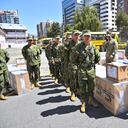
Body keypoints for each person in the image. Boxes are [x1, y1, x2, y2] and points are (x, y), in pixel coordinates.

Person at [70, 30, 100, 113]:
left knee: (91, 86)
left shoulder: (93, 47)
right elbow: (73, 59)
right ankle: (83, 103)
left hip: (91, 70)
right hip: (82, 71)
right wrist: (79, 67)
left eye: (88, 36)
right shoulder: (78, 47)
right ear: (82, 37)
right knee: (82, 88)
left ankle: (90, 100)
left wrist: (91, 65)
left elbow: (98, 58)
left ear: (90, 38)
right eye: (85, 36)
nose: (87, 38)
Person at [67, 30, 81, 101]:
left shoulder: (81, 44)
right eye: (75, 35)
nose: (77, 36)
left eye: (78, 35)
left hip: (80, 64)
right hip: (72, 64)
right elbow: (65, 55)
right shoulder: (68, 44)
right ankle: (72, 93)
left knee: (79, 78)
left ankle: (78, 91)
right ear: (72, 36)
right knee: (73, 79)